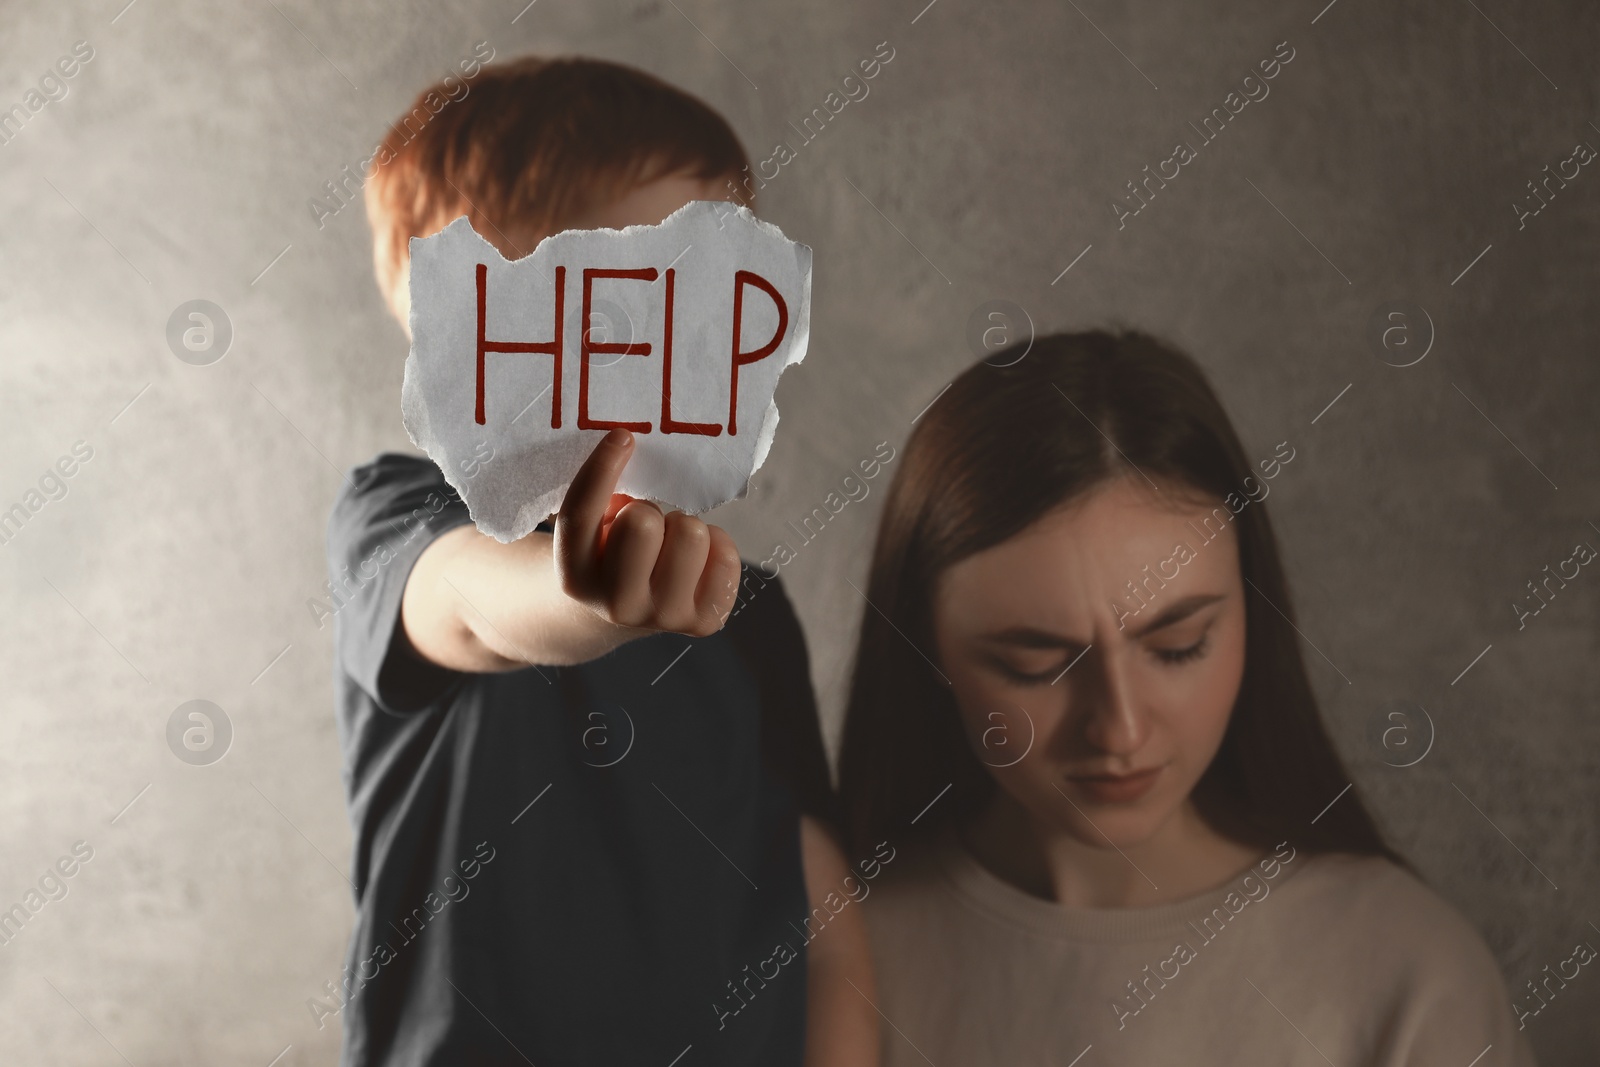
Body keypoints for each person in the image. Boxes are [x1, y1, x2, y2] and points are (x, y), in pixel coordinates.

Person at [325, 55, 876, 1067]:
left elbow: (824, 907)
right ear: (460, 318)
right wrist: (583, 594)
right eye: (626, 301)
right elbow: (463, 604)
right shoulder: (401, 515)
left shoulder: (745, 610)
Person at [837, 331, 1536, 1066]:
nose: (1121, 727)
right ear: (927, 647)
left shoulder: (1407, 971)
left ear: (1251, 610)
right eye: (1034, 663)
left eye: (1179, 647)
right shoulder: (841, 957)